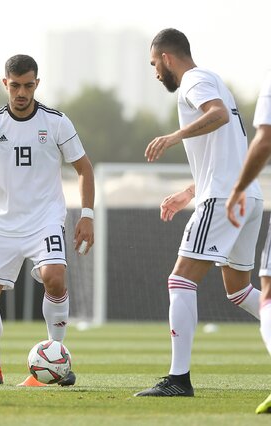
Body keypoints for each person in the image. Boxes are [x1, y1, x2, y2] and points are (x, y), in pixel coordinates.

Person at [0, 54, 95, 386]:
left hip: (45, 219)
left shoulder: (57, 122)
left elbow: (84, 168)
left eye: (28, 85)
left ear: (37, 84)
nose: (21, 93)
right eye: (15, 86)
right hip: (3, 224)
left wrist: (87, 215)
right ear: (5, 84)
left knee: (55, 277)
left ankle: (59, 362)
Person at [135, 28, 263, 397]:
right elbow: (227, 150)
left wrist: (174, 137)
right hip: (245, 196)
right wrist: (190, 191)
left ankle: (178, 379)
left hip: (224, 198)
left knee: (180, 280)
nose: (156, 73)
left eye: (154, 64)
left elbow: (218, 115)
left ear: (167, 58)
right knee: (239, 292)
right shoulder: (215, 81)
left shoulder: (194, 79)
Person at [226, 70, 271, 414]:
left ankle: (177, 376)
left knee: (266, 287)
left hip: (242, 197)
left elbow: (264, 139)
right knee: (239, 289)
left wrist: (238, 188)